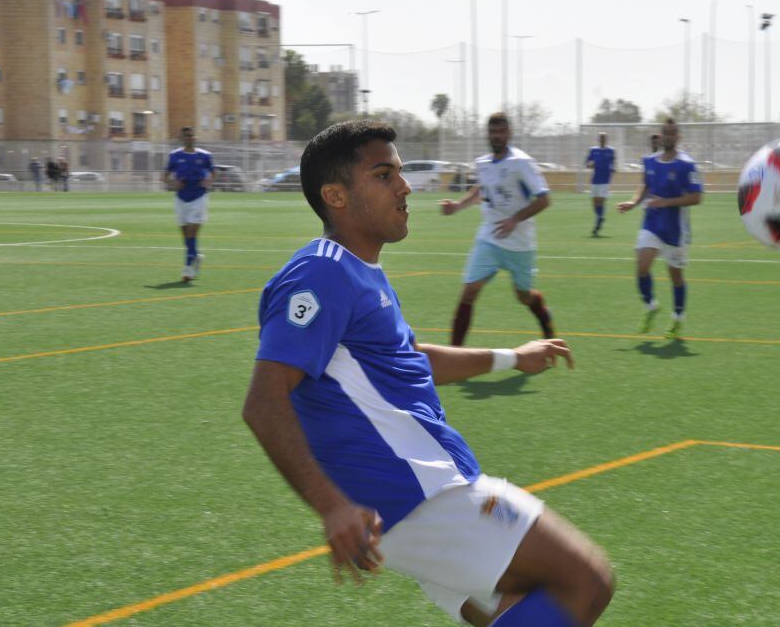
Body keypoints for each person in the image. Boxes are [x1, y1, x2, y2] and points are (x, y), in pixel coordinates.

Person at [243, 120, 614, 627]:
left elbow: (413, 359)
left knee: (515, 611)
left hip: (414, 504)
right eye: (384, 174)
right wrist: (331, 507)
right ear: (336, 195)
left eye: (399, 171)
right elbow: (263, 402)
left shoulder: (360, 270)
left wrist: (512, 356)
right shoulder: (322, 271)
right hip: (420, 495)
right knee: (586, 579)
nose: (405, 185)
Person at [439, 112, 556, 347]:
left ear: (509, 133)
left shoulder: (521, 162)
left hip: (520, 243)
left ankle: (545, 321)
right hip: (489, 238)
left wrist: (515, 220)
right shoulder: (482, 163)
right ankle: (455, 355)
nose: (497, 136)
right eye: (493, 132)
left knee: (524, 297)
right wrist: (458, 206)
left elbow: (544, 199)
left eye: (502, 131)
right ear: (488, 134)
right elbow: (482, 189)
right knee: (469, 291)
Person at [617, 119, 703, 338]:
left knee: (676, 277)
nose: (669, 137)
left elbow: (696, 197)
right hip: (652, 222)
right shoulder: (649, 161)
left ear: (679, 137)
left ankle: (678, 317)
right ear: (661, 136)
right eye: (666, 133)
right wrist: (633, 202)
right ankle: (650, 306)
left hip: (675, 229)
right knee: (642, 266)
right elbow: (645, 185)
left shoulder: (686, 165)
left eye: (673, 133)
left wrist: (666, 202)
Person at [162, 127, 215, 281]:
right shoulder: (174, 156)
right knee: (186, 237)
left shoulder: (205, 156)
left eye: (192, 135)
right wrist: (173, 183)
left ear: (195, 137)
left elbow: (213, 172)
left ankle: (187, 269)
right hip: (181, 199)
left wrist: (208, 181)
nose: (190, 138)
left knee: (192, 234)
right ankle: (196, 256)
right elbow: (164, 176)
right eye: (187, 136)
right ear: (182, 138)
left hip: (199, 198)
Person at [584, 133, 616, 237]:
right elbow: (587, 163)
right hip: (595, 179)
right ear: (598, 139)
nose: (602, 139)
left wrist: (612, 169)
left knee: (601, 200)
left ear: (606, 139)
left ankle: (599, 220)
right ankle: (600, 216)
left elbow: (613, 163)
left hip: (605, 179)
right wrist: (590, 164)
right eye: (601, 138)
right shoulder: (593, 150)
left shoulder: (611, 151)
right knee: (594, 201)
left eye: (604, 138)